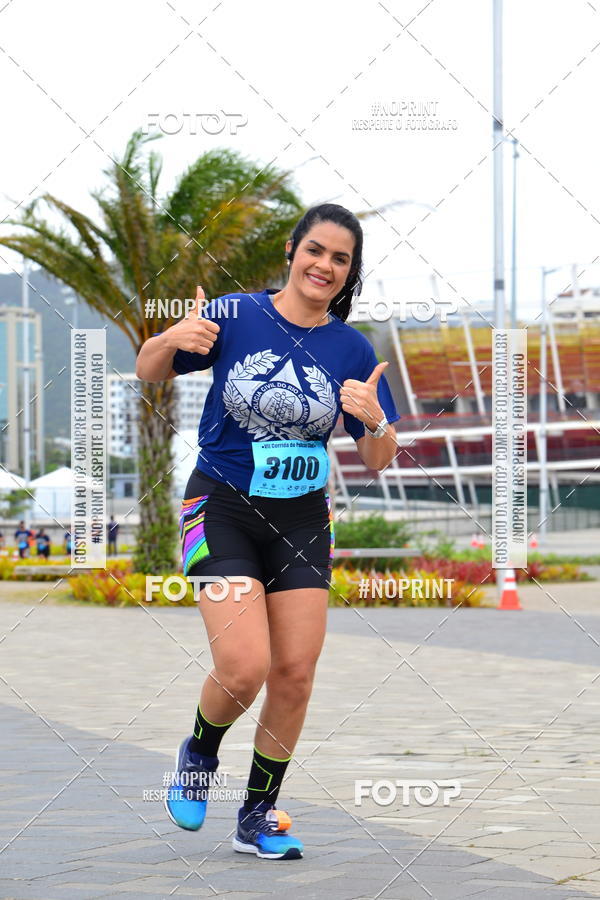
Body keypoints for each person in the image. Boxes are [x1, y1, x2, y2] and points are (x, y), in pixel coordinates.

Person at [136, 203, 401, 860]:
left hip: (301, 520)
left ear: (349, 272)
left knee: (295, 673)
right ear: (292, 250)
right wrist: (173, 338)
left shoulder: (352, 349)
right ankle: (199, 754)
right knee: (243, 666)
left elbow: (377, 457)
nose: (325, 266)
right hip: (220, 508)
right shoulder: (234, 315)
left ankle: (257, 816)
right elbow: (148, 369)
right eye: (316, 250)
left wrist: (374, 421)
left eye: (340, 259)